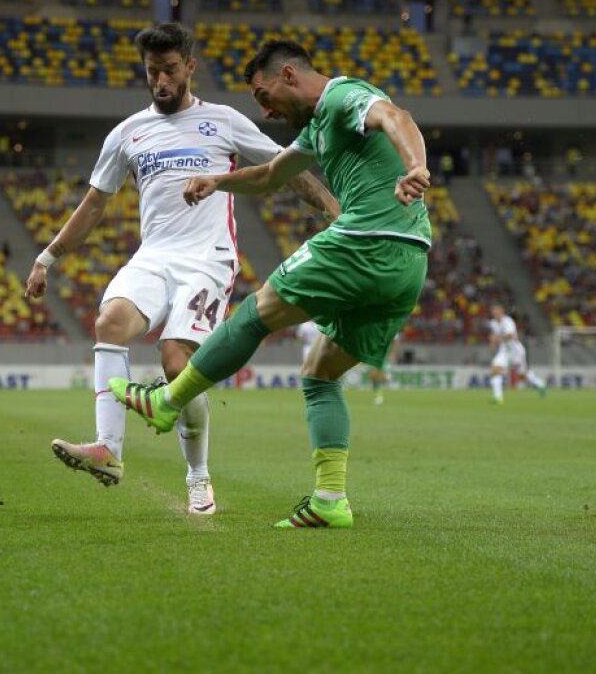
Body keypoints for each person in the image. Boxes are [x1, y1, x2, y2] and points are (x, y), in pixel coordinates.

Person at [110, 39, 432, 529]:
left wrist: (416, 167)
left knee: (254, 313)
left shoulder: (344, 98)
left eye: (264, 96)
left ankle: (166, 401)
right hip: (409, 262)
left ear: (287, 75)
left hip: (365, 238)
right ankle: (330, 500)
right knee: (320, 374)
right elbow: (269, 176)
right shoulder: (320, 126)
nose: (264, 110)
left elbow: (397, 117)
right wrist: (219, 180)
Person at [26, 24, 337, 516]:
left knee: (177, 366)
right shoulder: (127, 133)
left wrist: (331, 209)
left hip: (207, 260)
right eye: (153, 72)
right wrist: (47, 258)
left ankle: (199, 475)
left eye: (170, 70)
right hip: (154, 255)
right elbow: (93, 204)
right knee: (109, 323)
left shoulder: (224, 120)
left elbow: (285, 167)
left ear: (189, 67)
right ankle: (109, 450)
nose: (161, 81)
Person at [487, 304, 547, 403]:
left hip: (516, 351)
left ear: (502, 311)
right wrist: (492, 344)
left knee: (522, 376)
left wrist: (498, 338)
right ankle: (498, 397)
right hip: (504, 351)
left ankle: (540, 384)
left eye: (496, 310)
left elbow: (512, 335)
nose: (494, 313)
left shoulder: (507, 321)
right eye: (493, 311)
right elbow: (494, 335)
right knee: (495, 369)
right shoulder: (493, 323)